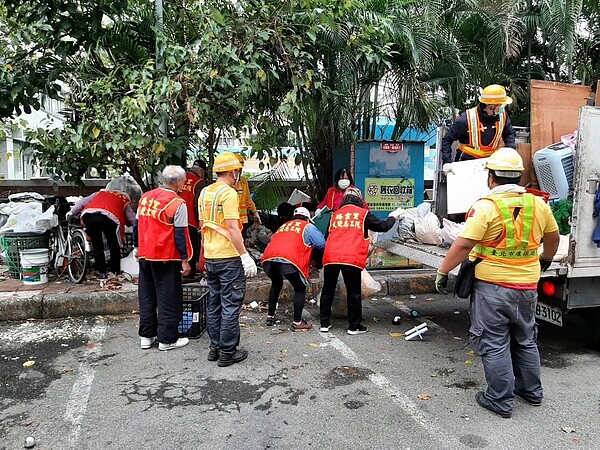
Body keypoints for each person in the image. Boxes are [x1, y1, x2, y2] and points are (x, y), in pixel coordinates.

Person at [435, 147, 560, 418]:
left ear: (491, 177)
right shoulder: (538, 204)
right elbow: (553, 236)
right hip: (527, 287)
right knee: (525, 339)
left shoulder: (486, 207)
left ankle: (500, 400)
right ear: (518, 176)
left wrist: (443, 271)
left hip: (492, 289)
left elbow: (464, 243)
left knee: (493, 342)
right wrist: (545, 260)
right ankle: (531, 391)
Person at [199, 152, 258, 367]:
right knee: (230, 304)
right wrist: (245, 256)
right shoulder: (229, 193)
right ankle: (227, 351)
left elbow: (203, 226)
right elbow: (233, 228)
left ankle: (215, 347)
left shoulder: (205, 192)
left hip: (211, 257)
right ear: (234, 171)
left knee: (214, 303)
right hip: (229, 257)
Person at [319, 188, 403, 334]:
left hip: (331, 256)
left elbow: (328, 235)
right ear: (360, 200)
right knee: (354, 292)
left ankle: (324, 324)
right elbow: (383, 227)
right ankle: (354, 326)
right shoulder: (363, 214)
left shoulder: (335, 215)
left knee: (328, 290)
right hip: (351, 257)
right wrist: (393, 217)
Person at [137, 165, 193, 351]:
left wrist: (138, 248)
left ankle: (146, 336)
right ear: (179, 183)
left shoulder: (145, 198)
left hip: (145, 254)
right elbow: (180, 234)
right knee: (168, 297)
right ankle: (167, 340)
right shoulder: (177, 203)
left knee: (147, 295)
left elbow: (139, 224)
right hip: (165, 256)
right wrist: (185, 260)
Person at [261, 206, 326, 330]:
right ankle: (297, 322)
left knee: (276, 284)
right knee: (300, 288)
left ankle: (270, 316)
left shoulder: (284, 226)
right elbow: (322, 244)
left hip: (268, 259)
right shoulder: (308, 227)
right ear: (307, 218)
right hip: (289, 260)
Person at [441, 84, 516, 174]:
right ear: (491, 106)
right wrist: (447, 162)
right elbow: (447, 140)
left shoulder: (503, 116)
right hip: (467, 162)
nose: (503, 107)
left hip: (491, 162)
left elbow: (509, 133)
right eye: (501, 105)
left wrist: (510, 151)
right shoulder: (466, 119)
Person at [68, 186, 137, 279]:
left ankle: (102, 272)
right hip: (108, 218)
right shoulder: (124, 199)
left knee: (97, 244)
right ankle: (115, 270)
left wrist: (71, 213)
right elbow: (132, 218)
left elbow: (81, 203)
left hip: (90, 216)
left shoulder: (99, 193)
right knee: (113, 244)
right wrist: (139, 227)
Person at [179, 159, 208, 279]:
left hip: (175, 217)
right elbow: (197, 203)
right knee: (191, 246)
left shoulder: (179, 178)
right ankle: (189, 273)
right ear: (201, 171)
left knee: (179, 244)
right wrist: (199, 220)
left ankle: (179, 270)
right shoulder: (198, 182)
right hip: (190, 219)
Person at [233, 153, 260, 237]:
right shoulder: (228, 183)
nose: (240, 171)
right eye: (237, 169)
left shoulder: (244, 181)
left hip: (243, 220)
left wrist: (255, 213)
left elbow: (248, 198)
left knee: (242, 241)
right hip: (232, 219)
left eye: (240, 169)